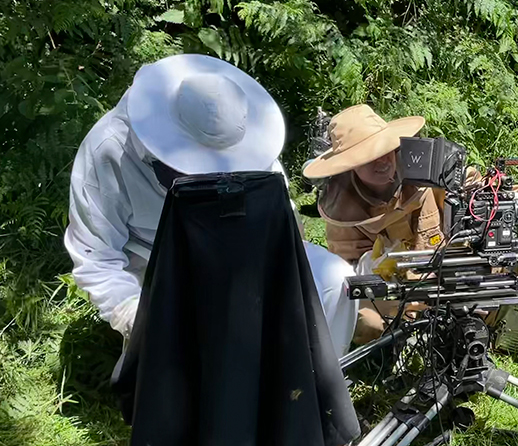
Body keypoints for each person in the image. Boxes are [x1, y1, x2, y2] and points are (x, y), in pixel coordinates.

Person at [65, 54, 358, 358]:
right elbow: (97, 257)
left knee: (333, 277)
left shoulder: (245, 140)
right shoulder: (109, 149)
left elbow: (283, 217)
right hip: (160, 268)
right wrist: (137, 317)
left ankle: (313, 386)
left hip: (241, 254)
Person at [303, 104, 445, 342]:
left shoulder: (423, 169)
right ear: (351, 166)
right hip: (391, 296)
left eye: (385, 150)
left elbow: (473, 186)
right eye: (368, 158)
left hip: (444, 275)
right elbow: (342, 275)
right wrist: (368, 266)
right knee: (365, 322)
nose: (382, 161)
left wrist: (514, 194)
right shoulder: (343, 209)